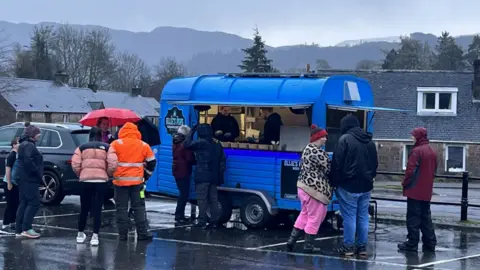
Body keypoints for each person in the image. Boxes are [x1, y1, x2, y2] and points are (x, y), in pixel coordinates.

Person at [330, 115, 378, 256]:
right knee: (363, 216)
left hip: (348, 185)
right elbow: (375, 164)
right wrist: (370, 178)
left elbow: (337, 163)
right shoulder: (370, 141)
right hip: (366, 185)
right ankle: (362, 247)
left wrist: (334, 182)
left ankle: (348, 246)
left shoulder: (344, 140)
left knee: (349, 216)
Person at [286, 125, 333, 253]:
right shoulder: (317, 152)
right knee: (315, 217)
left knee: (305, 214)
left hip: (302, 187)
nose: (325, 140)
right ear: (317, 138)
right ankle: (308, 246)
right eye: (323, 137)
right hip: (314, 190)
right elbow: (329, 169)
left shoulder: (307, 148)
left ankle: (291, 241)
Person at [71, 127, 118, 246]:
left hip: (85, 180)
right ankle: (95, 236)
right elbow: (113, 163)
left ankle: (80, 234)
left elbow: (75, 164)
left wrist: (81, 174)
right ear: (101, 135)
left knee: (84, 208)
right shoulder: (107, 147)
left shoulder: (81, 148)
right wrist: (107, 174)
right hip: (100, 181)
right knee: (97, 209)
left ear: (89, 135)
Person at [110, 122, 156, 241]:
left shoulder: (116, 144)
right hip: (137, 184)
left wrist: (112, 174)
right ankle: (142, 233)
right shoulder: (143, 145)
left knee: (121, 209)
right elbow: (152, 162)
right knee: (139, 207)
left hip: (119, 183)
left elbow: (110, 162)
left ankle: (123, 235)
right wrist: (146, 175)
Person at [398, 127, 437, 252]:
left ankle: (412, 243)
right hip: (426, 190)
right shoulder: (432, 151)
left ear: (418, 136)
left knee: (413, 218)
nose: (412, 138)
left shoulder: (416, 151)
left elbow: (410, 171)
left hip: (415, 190)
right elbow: (434, 171)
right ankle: (430, 243)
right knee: (426, 218)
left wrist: (405, 183)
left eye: (413, 135)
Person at [184, 123, 226, 229]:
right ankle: (214, 222)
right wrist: (220, 175)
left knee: (202, 199)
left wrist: (191, 132)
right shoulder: (217, 143)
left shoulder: (201, 142)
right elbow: (222, 161)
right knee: (213, 199)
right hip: (214, 176)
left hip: (202, 175)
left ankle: (202, 221)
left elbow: (186, 145)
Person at [15, 122, 43, 239]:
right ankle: (26, 228)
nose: (39, 135)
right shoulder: (29, 145)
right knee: (34, 202)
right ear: (32, 134)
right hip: (29, 179)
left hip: (24, 178)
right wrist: (36, 171)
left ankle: (20, 228)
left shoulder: (24, 144)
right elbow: (28, 161)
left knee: (24, 202)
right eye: (37, 133)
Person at [172, 125, 195, 223]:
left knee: (182, 194)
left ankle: (179, 215)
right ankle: (179, 216)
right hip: (183, 170)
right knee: (184, 195)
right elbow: (189, 158)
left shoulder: (176, 141)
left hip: (176, 169)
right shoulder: (184, 144)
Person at [1, 138, 20, 234]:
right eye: (18, 143)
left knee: (15, 203)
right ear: (14, 145)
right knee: (10, 204)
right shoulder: (11, 156)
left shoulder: (18, 155)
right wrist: (9, 183)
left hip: (15, 182)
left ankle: (12, 222)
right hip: (9, 182)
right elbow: (8, 170)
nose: (20, 144)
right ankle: (5, 224)